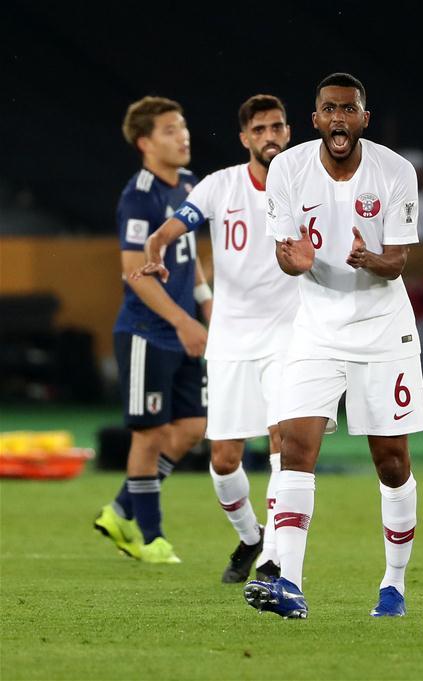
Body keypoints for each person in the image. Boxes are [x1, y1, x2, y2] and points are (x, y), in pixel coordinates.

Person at [242, 73, 423, 620]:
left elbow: (397, 262)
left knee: (391, 462)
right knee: (296, 447)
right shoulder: (288, 170)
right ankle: (290, 584)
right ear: (317, 118)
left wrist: (368, 259)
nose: (339, 118)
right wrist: (290, 261)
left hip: (382, 329)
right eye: (329, 109)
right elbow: (285, 252)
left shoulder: (395, 172)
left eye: (349, 109)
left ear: (363, 119)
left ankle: (393, 582)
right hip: (316, 329)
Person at [134, 95, 298, 583]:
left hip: (289, 335)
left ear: (288, 132)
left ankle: (275, 563)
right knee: (224, 460)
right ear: (245, 138)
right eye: (260, 129)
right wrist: (156, 247)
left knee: (281, 444)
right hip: (230, 337)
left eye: (277, 126)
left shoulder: (306, 185)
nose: (270, 135)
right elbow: (171, 227)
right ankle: (253, 537)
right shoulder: (219, 186)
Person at [93, 96, 210, 564]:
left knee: (192, 429)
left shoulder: (189, 184)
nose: (182, 136)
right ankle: (152, 538)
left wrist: (204, 302)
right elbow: (132, 271)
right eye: (169, 130)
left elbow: (190, 259)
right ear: (144, 142)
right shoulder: (139, 196)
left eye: (182, 126)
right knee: (150, 433)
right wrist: (183, 321)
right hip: (147, 333)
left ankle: (121, 508)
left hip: (183, 330)